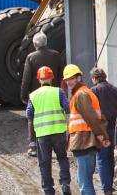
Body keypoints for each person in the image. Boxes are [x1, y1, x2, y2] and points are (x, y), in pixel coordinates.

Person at [63, 64, 110, 195]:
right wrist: (102, 135)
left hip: (84, 141)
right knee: (83, 180)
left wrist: (102, 136)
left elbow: (92, 118)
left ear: (79, 78)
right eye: (66, 79)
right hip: (85, 141)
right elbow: (99, 118)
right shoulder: (83, 93)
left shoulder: (81, 94)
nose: (68, 82)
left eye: (71, 78)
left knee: (85, 183)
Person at [27, 66, 71, 195]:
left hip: (42, 135)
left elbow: (29, 115)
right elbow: (68, 108)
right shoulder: (59, 92)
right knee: (62, 158)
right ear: (51, 78)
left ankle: (48, 190)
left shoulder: (33, 95)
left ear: (39, 80)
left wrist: (31, 140)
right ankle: (65, 184)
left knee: (44, 163)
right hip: (59, 132)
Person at [21, 32, 66, 157]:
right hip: (54, 93)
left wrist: (24, 96)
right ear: (46, 43)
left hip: (37, 95)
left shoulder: (31, 57)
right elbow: (62, 74)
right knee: (55, 117)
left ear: (35, 45)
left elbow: (26, 78)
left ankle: (33, 146)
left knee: (32, 118)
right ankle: (58, 145)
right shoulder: (56, 55)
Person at [90, 67, 117, 195]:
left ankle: (107, 189)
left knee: (102, 158)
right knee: (110, 157)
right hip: (114, 128)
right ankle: (109, 185)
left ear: (94, 78)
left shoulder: (94, 91)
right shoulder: (116, 90)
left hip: (101, 129)